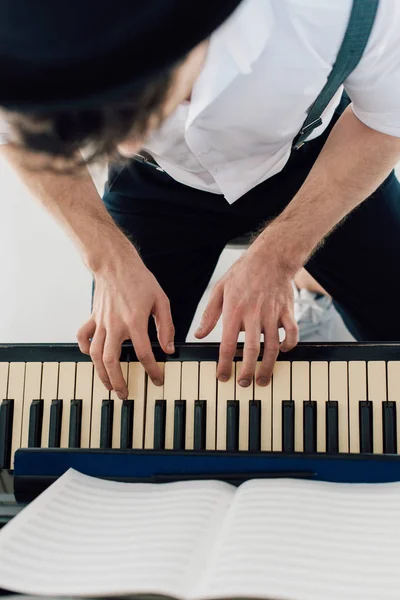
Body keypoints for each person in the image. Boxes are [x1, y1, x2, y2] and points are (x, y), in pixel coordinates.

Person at [1, 0, 400, 400]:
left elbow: (386, 122)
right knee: (126, 364)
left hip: (318, 159)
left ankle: (309, 291)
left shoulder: (341, 10)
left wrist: (279, 256)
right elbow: (15, 134)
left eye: (142, 107)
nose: (129, 143)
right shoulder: (22, 31)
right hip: (154, 184)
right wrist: (107, 261)